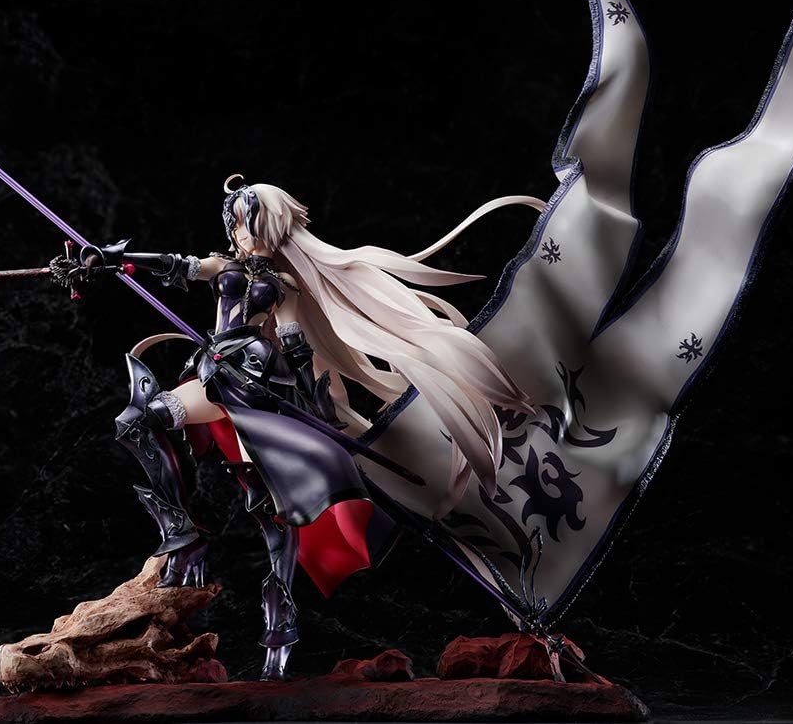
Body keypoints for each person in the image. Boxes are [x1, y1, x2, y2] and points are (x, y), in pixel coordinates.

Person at [77, 176, 544, 679]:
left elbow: (296, 346)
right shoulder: (226, 266)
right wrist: (110, 259)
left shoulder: (286, 286)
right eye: (232, 225)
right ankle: (182, 533)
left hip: (255, 385)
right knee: (137, 420)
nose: (236, 234)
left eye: (243, 223)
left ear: (268, 223)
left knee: (277, 521)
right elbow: (177, 265)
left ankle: (278, 640)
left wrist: (313, 405)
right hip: (214, 375)